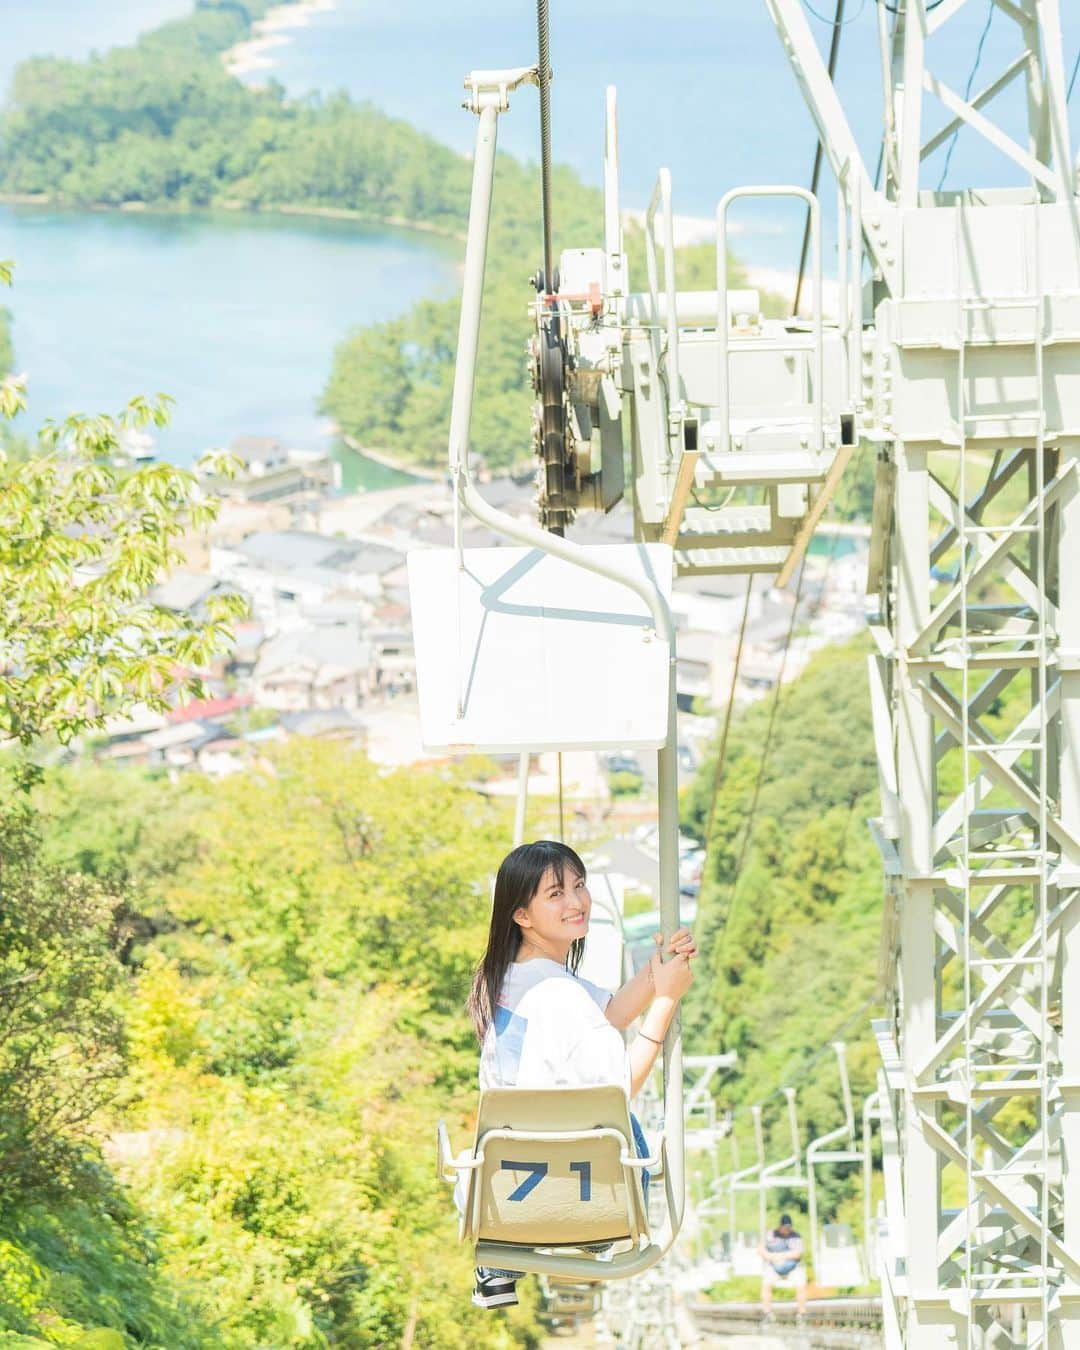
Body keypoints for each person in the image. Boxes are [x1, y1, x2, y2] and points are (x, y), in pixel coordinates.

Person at [464, 839, 697, 1310]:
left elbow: (608, 1013)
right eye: (555, 894)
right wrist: (668, 1002)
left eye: (579, 885)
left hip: (506, 1185)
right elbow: (621, 1088)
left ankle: (502, 1259)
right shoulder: (558, 994)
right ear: (521, 915)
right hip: (576, 1183)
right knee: (625, 1126)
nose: (576, 901)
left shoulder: (510, 979)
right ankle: (596, 1235)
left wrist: (657, 974)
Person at [759, 1213, 808, 1319]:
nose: (787, 1230)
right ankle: (767, 1313)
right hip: (774, 1266)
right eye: (785, 1228)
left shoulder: (796, 1236)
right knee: (766, 1283)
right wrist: (770, 1257)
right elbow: (761, 1249)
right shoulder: (770, 1235)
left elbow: (797, 1254)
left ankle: (802, 1314)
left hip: (793, 1267)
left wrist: (781, 1256)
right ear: (780, 1226)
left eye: (789, 1228)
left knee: (801, 1284)